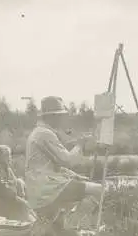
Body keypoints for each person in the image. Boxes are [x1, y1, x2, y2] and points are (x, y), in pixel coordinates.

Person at [24, 96, 103, 228]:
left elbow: (54, 164)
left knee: (53, 223)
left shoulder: (39, 132)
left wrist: (74, 176)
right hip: (46, 188)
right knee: (99, 190)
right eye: (60, 116)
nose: (62, 119)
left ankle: (61, 226)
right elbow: (67, 160)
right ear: (52, 117)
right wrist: (79, 145)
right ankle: (72, 226)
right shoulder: (45, 134)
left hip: (39, 188)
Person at [0, 145, 36, 222]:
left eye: (10, 155)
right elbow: (6, 192)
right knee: (26, 210)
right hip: (2, 205)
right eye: (7, 155)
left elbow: (15, 185)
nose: (10, 158)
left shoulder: (8, 170)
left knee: (30, 214)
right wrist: (23, 202)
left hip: (13, 201)